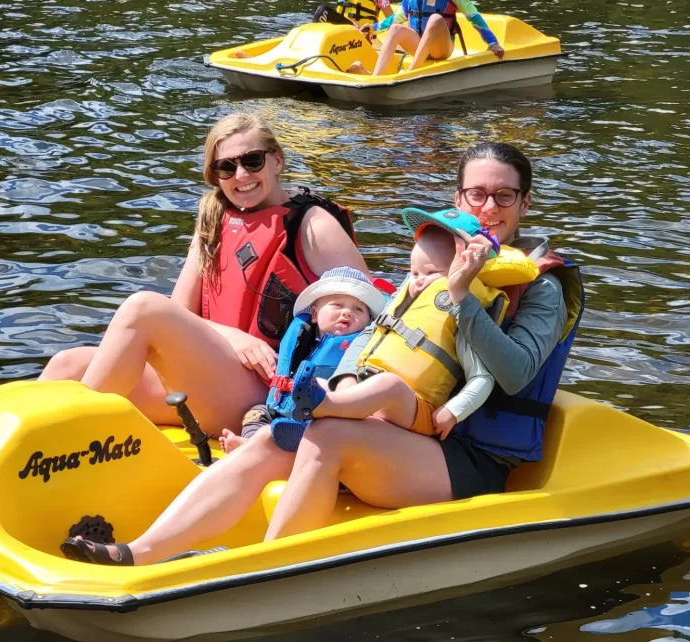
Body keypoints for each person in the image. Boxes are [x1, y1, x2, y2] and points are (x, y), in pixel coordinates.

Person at [59, 142, 583, 567]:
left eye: (504, 196)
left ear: (525, 203)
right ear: (458, 197)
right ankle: (141, 552)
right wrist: (350, 383)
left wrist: (464, 296)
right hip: (403, 427)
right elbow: (380, 337)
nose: (488, 208)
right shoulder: (434, 258)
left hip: (469, 456)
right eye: (477, 194)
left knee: (326, 435)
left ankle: (266, 570)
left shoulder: (539, 287)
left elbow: (515, 374)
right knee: (278, 435)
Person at [38, 112, 369, 436]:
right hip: (213, 381)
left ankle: (78, 436)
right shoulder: (214, 219)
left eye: (252, 161)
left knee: (143, 308)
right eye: (226, 167)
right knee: (68, 364)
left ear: (277, 160)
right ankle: (29, 448)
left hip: (268, 394)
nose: (241, 175)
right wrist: (233, 337)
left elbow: (370, 313)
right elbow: (181, 311)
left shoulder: (313, 226)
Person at [270, 209, 508, 452]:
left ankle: (320, 411)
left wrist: (453, 411)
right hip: (374, 393)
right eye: (414, 273)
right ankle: (303, 426)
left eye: (431, 273)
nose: (418, 281)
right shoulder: (402, 305)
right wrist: (346, 380)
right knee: (324, 382)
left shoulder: (461, 315)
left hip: (416, 408)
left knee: (388, 385)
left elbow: (482, 377)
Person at [219, 266, 386, 453]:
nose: (347, 312)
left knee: (320, 428)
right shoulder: (301, 337)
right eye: (338, 305)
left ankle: (267, 446)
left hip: (321, 415)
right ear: (314, 314)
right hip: (281, 408)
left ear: (368, 322)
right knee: (255, 413)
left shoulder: (362, 349)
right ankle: (249, 442)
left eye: (358, 309)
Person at [349, 0, 504, 76]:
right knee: (395, 29)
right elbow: (397, 18)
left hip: (441, 48)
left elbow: (473, 16)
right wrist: (374, 28)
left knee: (435, 19)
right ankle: (375, 79)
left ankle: (410, 72)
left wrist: (492, 42)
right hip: (418, 47)